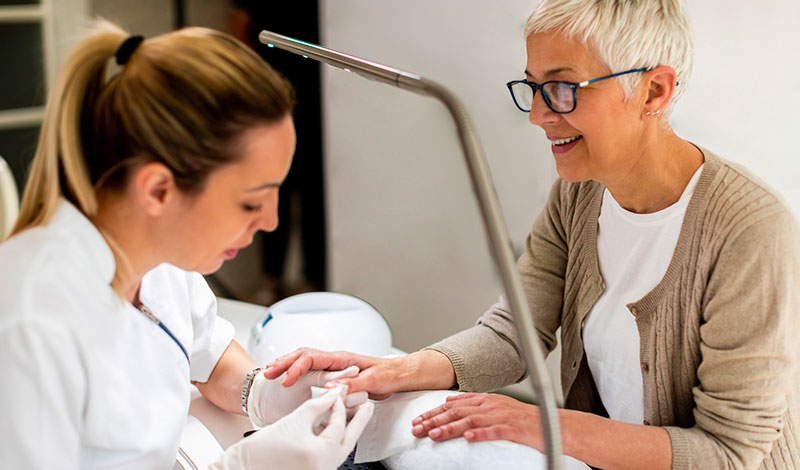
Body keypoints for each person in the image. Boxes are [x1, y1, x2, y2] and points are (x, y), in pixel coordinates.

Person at [263, 1, 800, 469]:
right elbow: (514, 333)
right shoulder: (577, 194)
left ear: (653, 90)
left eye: (563, 88)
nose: (539, 115)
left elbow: (729, 452)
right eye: (535, 88)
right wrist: (400, 370)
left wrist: (547, 425)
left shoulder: (748, 229)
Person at [0, 20, 372, 469]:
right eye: (251, 202)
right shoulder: (30, 323)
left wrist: (263, 392)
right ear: (158, 190)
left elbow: (205, 356)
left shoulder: (158, 257)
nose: (271, 222)